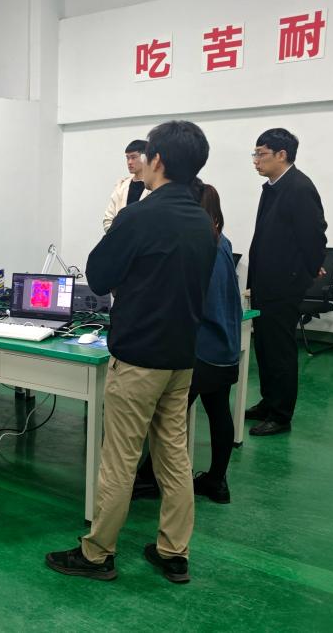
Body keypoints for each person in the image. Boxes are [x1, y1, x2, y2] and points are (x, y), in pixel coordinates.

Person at [45, 120, 216, 585]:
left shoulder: (139, 216)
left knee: (119, 458)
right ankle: (173, 551)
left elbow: (99, 276)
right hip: (181, 357)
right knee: (174, 455)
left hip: (139, 356)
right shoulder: (202, 221)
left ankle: (97, 552)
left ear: (156, 160)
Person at [133, 182, 243, 504]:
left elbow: (191, 301)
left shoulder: (199, 247)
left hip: (202, 348)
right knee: (218, 410)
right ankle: (217, 481)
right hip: (225, 345)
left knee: (168, 416)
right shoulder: (223, 242)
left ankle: (150, 478)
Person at [244, 129, 327, 436]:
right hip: (266, 283)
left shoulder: (299, 187)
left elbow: (315, 235)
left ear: (282, 154)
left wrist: (306, 271)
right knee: (265, 347)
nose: (256, 160)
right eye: (254, 154)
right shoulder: (273, 187)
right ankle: (268, 401)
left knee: (279, 350)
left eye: (261, 154)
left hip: (284, 285)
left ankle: (281, 415)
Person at [101, 139, 150, 232]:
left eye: (133, 157)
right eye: (127, 158)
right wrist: (118, 236)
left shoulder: (154, 187)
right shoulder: (121, 187)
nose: (129, 162)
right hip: (119, 238)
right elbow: (108, 220)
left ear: (145, 158)